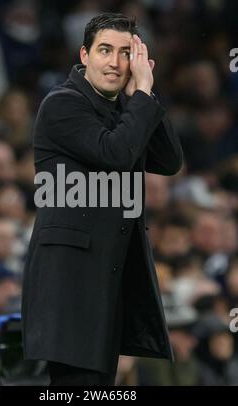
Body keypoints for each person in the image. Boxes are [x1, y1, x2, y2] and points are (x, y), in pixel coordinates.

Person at [21, 12, 183, 386]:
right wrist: (140, 96)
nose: (114, 62)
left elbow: (170, 161)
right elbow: (116, 153)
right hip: (70, 282)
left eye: (125, 53)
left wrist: (144, 95)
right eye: (104, 50)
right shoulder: (62, 103)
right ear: (84, 55)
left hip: (107, 281)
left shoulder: (126, 108)